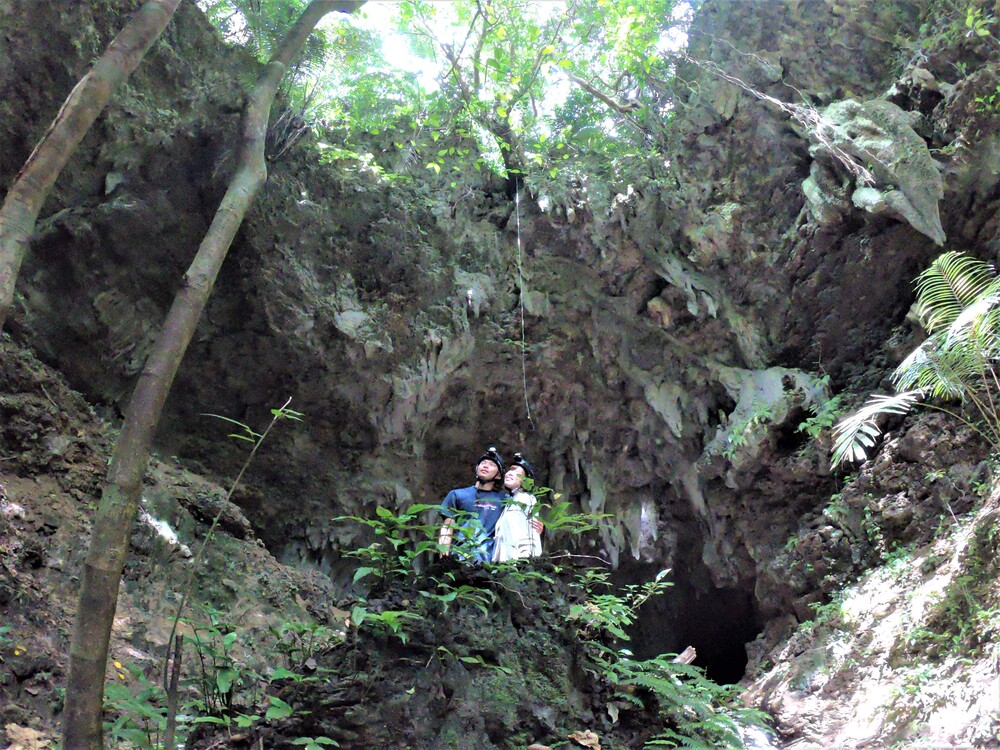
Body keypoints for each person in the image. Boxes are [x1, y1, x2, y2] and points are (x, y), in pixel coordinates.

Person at [438, 447, 506, 563]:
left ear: (499, 475)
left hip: (488, 562)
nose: (485, 466)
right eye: (483, 463)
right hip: (459, 559)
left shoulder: (504, 500)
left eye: (492, 465)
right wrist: (444, 556)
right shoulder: (457, 495)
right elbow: (447, 526)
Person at [492, 452, 543, 562]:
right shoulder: (509, 503)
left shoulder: (527, 499)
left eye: (516, 471)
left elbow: (530, 533)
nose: (510, 473)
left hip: (519, 561)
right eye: (510, 470)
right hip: (505, 564)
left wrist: (527, 559)